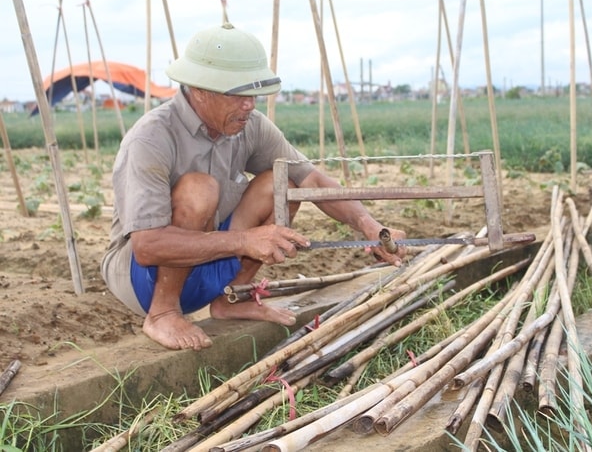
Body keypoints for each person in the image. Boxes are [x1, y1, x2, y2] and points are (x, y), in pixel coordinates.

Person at [100, 22, 406, 351]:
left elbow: (310, 179)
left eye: (253, 94)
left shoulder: (251, 126)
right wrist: (246, 240)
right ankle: (163, 314)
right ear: (200, 90)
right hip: (143, 278)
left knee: (282, 183)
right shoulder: (152, 138)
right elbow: (147, 247)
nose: (250, 104)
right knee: (199, 190)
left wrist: (369, 225)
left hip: (211, 263)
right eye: (238, 94)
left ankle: (233, 297)